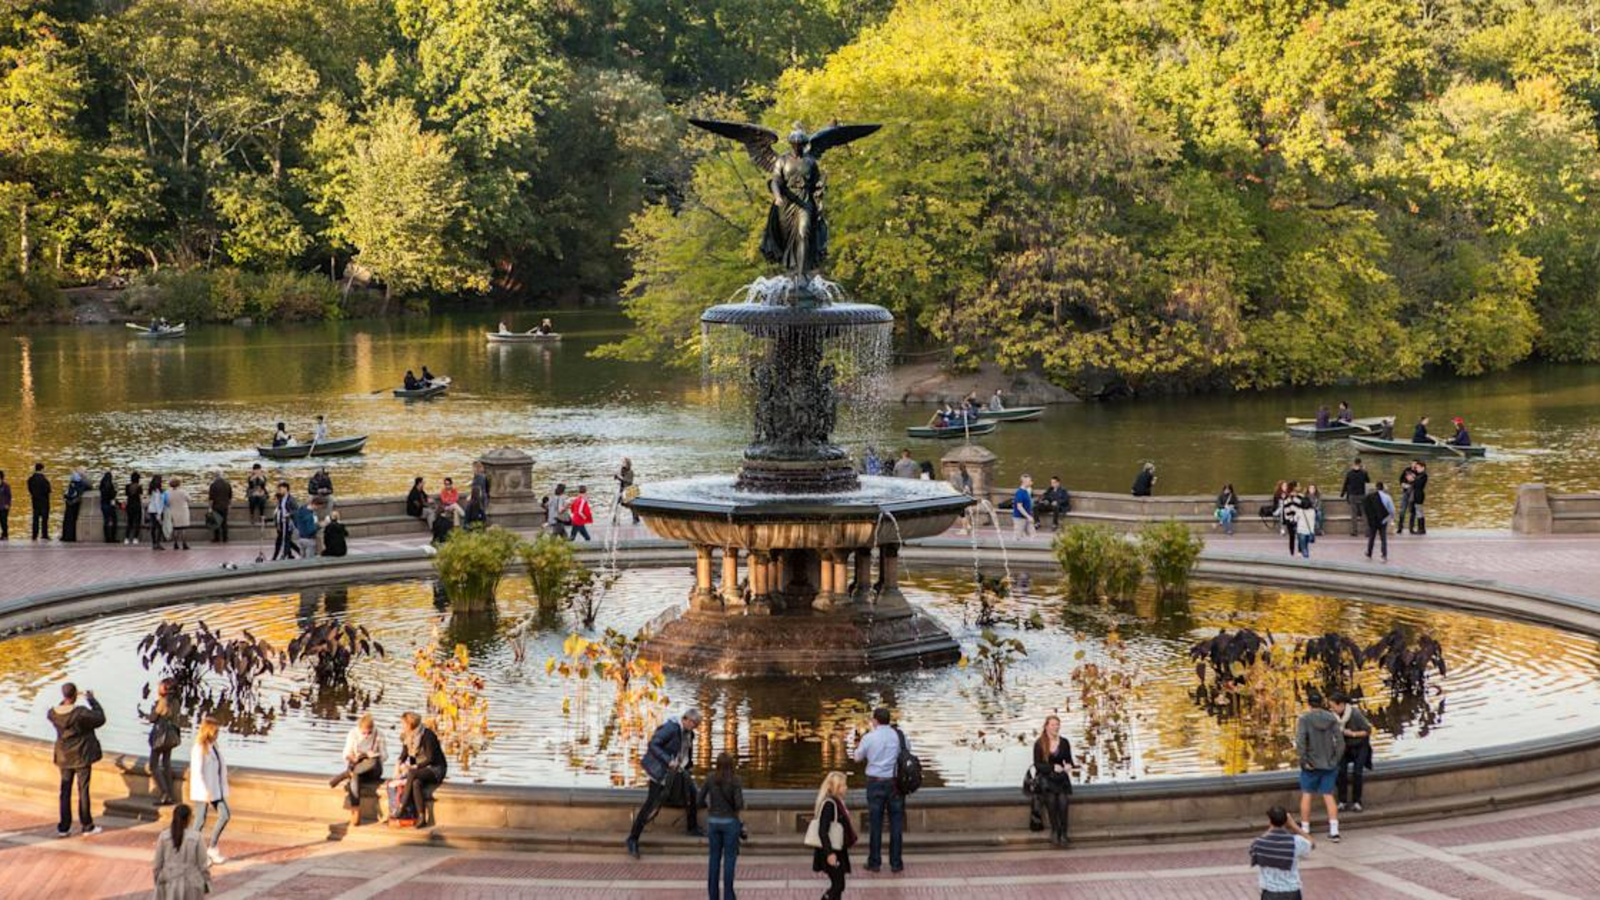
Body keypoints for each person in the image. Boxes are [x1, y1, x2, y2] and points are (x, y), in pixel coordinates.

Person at [627, 708, 703, 858]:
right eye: (694, 723)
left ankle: (692, 827)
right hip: (661, 771)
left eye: (697, 725)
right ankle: (632, 839)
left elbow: (685, 752)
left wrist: (687, 768)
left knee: (693, 794)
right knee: (650, 805)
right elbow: (653, 744)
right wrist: (668, 761)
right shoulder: (671, 728)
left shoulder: (689, 733)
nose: (695, 727)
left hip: (678, 771)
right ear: (686, 718)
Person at [851, 707, 906, 873]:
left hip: (875, 783)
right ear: (888, 720)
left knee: (875, 824)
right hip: (896, 784)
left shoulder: (869, 737)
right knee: (896, 823)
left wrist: (857, 746)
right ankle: (896, 863)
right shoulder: (899, 735)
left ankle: (874, 862)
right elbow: (907, 752)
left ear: (875, 720)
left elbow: (857, 757)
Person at [48, 682, 105, 837]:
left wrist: (67, 700)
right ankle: (87, 826)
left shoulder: (53, 713)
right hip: (81, 756)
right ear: (75, 696)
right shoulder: (81, 713)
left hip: (64, 757)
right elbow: (100, 718)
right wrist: (91, 699)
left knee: (65, 791)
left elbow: (62, 710)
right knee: (83, 790)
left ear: (64, 696)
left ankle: (64, 827)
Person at [1295, 692, 1344, 842]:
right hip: (1329, 763)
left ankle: (1305, 829)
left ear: (1309, 704)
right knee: (1328, 795)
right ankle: (1334, 831)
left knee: (1307, 794)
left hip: (1311, 764)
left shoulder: (1304, 719)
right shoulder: (1331, 718)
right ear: (1322, 703)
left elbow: (1301, 741)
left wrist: (1304, 760)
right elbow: (1341, 742)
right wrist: (1335, 760)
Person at [701, 751, 744, 900]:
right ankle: (728, 896)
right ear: (732, 765)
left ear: (717, 764)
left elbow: (700, 799)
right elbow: (739, 804)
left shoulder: (710, 778)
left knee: (714, 859)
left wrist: (709, 807)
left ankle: (713, 896)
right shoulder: (735, 780)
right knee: (729, 860)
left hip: (713, 822)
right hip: (730, 823)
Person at [330, 712, 386, 827]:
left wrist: (375, 754)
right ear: (359, 729)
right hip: (357, 765)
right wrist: (352, 756)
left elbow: (385, 756)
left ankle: (346, 774)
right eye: (364, 733)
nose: (366, 736)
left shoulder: (379, 734)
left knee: (370, 763)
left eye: (369, 733)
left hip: (373, 767)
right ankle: (355, 810)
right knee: (355, 776)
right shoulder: (353, 733)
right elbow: (346, 753)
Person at [189, 717, 231, 864]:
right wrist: (204, 790)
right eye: (216, 731)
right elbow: (197, 772)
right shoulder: (199, 748)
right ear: (209, 731)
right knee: (199, 821)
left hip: (216, 789)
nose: (218, 734)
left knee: (225, 815)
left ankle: (212, 847)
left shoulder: (213, 746)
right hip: (204, 790)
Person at [1033, 714, 1078, 847]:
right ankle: (1055, 832)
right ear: (1046, 726)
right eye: (1053, 725)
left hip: (1061, 779)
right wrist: (1053, 767)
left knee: (1063, 803)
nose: (1056, 727)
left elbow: (1069, 760)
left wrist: (1069, 765)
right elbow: (1037, 764)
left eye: (1057, 725)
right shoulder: (1039, 743)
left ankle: (1064, 833)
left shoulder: (1064, 742)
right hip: (1047, 779)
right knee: (1051, 802)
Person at [1250, 805, 1313, 900]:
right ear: (1286, 821)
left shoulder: (1260, 843)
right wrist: (1294, 826)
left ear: (1270, 821)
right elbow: (1312, 843)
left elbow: (1254, 847)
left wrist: (1271, 828)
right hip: (1292, 891)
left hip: (1270, 893)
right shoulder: (1295, 841)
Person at [397, 712, 446, 827]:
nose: (402, 726)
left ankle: (402, 806)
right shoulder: (408, 735)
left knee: (412, 773)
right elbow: (407, 753)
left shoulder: (428, 735)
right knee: (415, 783)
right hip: (421, 769)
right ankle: (421, 816)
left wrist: (415, 767)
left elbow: (430, 758)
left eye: (403, 724)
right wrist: (399, 763)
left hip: (436, 768)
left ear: (410, 724)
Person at [153, 802, 210, 899]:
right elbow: (203, 864)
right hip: (192, 882)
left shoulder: (164, 836)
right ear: (189, 818)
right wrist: (205, 881)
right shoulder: (197, 837)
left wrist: (159, 879)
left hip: (169, 880)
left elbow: (157, 864)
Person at [811, 770, 854, 899]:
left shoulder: (837, 803)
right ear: (836, 787)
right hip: (831, 851)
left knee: (838, 885)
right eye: (843, 785)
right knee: (838, 885)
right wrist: (829, 853)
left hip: (837, 850)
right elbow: (822, 830)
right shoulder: (830, 804)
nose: (846, 788)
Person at [1330, 692, 1373, 814]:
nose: (1332, 709)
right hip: (1345, 747)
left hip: (1360, 746)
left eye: (1333, 706)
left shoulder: (1355, 714)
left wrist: (1352, 734)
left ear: (1341, 705)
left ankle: (1357, 802)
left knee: (1357, 772)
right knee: (1340, 771)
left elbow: (1367, 730)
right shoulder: (1333, 717)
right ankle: (1342, 801)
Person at [146, 677, 181, 806]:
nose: (158, 688)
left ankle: (165, 793)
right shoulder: (176, 701)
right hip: (171, 736)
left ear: (165, 688)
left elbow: (152, 718)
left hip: (161, 736)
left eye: (160, 686)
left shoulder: (163, 701)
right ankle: (171, 795)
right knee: (166, 763)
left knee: (153, 765)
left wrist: (153, 708)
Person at [1363, 482, 1394, 562]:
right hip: (1383, 520)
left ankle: (1369, 553)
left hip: (1373, 520)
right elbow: (1392, 510)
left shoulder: (1370, 496)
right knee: (1383, 538)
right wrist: (1391, 519)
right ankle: (1384, 555)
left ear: (1376, 488)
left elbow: (1366, 508)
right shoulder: (1387, 497)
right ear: (1383, 488)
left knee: (1372, 537)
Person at [1339, 459, 1369, 536]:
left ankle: (1354, 531)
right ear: (1360, 464)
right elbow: (1368, 481)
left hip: (1352, 495)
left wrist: (1342, 494)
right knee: (1364, 514)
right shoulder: (1364, 473)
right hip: (1362, 495)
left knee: (1354, 514)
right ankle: (1367, 531)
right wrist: (1365, 471)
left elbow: (1345, 484)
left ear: (1353, 464)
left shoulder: (1349, 473)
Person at [272, 482, 299, 560]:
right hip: (281, 523)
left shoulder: (291, 500)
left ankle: (283, 555)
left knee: (286, 540)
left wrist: (289, 514)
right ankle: (292, 553)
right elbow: (279, 512)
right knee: (284, 540)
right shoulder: (281, 499)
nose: (279, 490)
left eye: (281, 489)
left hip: (288, 523)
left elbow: (296, 510)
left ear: (286, 489)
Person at [167, 477, 193, 550]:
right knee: (183, 528)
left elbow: (167, 502)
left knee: (176, 528)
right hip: (183, 511)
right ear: (179, 484)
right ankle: (184, 543)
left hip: (173, 511)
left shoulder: (168, 492)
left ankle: (175, 543)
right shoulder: (183, 492)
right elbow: (189, 499)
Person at [207, 472, 232, 543]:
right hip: (225, 505)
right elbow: (230, 496)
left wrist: (210, 507)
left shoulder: (213, 485)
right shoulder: (227, 484)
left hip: (216, 505)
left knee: (216, 522)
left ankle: (217, 538)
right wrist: (229, 505)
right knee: (224, 522)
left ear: (215, 476)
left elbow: (211, 498)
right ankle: (225, 538)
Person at [28, 462, 50, 540]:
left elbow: (30, 489)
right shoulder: (44, 480)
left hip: (35, 501)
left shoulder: (31, 479)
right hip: (44, 502)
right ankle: (44, 535)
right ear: (42, 469)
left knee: (35, 519)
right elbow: (48, 490)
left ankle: (34, 535)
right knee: (44, 520)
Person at [1406, 460, 1428, 535]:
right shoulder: (1419, 475)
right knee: (1418, 511)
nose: (1416, 469)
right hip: (1416, 494)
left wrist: (1412, 480)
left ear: (1423, 467)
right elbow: (1414, 484)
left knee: (1419, 512)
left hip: (1419, 495)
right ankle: (1420, 529)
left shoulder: (1424, 475)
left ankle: (1421, 529)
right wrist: (1412, 480)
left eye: (1418, 467)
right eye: (1416, 467)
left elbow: (1418, 485)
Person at [615, 458, 641, 524]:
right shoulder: (622, 470)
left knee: (632, 506)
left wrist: (620, 477)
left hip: (629, 490)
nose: (622, 463)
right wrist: (616, 476)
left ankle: (636, 519)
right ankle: (615, 519)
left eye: (624, 462)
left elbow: (629, 481)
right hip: (622, 489)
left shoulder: (630, 471)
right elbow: (620, 479)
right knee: (618, 504)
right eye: (622, 462)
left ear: (627, 463)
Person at [147, 474, 169, 551]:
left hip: (151, 510)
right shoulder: (157, 491)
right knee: (159, 527)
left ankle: (154, 543)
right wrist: (159, 514)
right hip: (156, 511)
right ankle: (157, 543)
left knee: (153, 527)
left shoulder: (152, 490)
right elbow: (157, 503)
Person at [1395, 461, 1417, 535]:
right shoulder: (1406, 470)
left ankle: (1411, 528)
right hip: (1405, 491)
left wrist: (1413, 480)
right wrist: (1402, 484)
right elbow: (1400, 479)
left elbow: (1419, 482)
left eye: (1415, 464)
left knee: (1412, 511)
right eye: (1413, 463)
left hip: (1413, 492)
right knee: (1402, 510)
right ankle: (1400, 528)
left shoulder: (1418, 472)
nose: (1414, 465)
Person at [1011, 474, 1035, 539]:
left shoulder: (1026, 491)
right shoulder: (1019, 492)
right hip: (1019, 518)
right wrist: (1028, 516)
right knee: (1017, 537)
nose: (1031, 482)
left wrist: (1029, 516)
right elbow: (1019, 507)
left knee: (1032, 534)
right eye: (1030, 481)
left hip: (1027, 517)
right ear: (1025, 482)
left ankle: (1031, 547)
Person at [467, 461, 490, 525]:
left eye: (473, 468)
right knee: (482, 512)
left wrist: (471, 496)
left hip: (479, 497)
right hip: (483, 496)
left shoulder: (479, 476)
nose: (472, 469)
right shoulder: (483, 476)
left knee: (478, 512)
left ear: (476, 468)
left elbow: (477, 488)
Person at [98, 470, 118, 543]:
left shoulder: (102, 486)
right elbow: (112, 496)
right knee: (114, 521)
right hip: (110, 504)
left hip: (103, 504)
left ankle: (107, 538)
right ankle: (112, 537)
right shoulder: (110, 485)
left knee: (106, 521)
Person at [125, 472, 144, 544]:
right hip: (137, 505)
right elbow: (141, 495)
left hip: (129, 505)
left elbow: (127, 494)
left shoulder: (127, 486)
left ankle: (126, 538)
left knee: (129, 522)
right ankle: (135, 538)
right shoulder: (139, 486)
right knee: (137, 522)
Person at [0, 470, 9, 540]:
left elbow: (9, 496)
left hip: (3, 507)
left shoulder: (5, 485)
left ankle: (5, 535)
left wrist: (7, 504)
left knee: (4, 521)